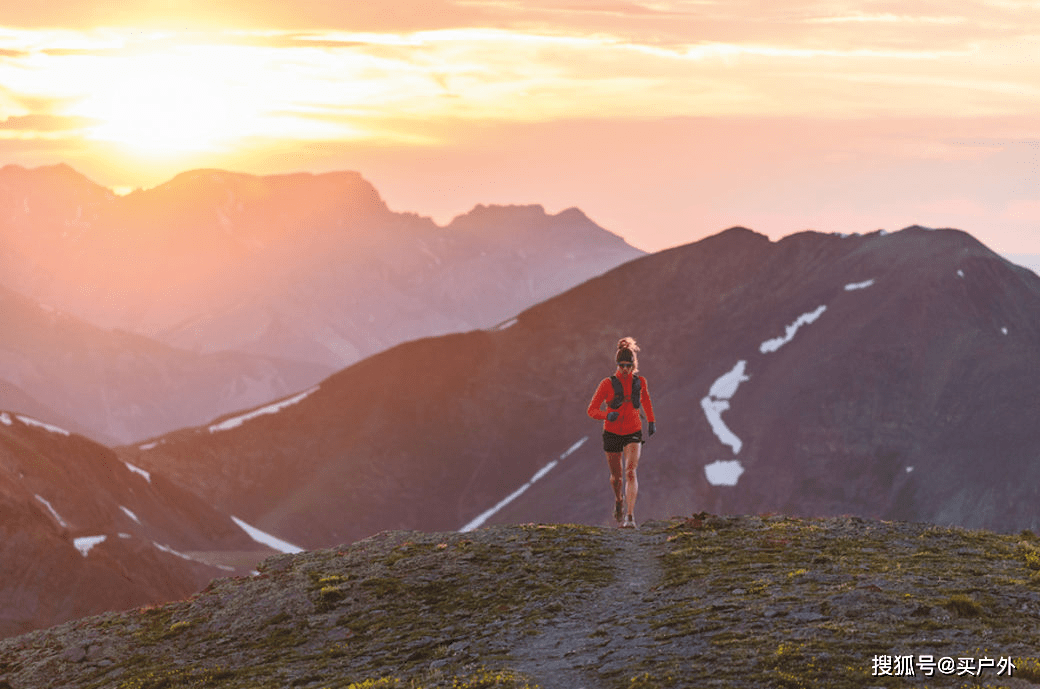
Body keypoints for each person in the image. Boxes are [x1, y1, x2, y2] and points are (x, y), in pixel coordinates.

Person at [586, 337, 656, 528]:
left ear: (634, 364)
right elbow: (591, 410)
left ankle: (630, 517)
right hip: (612, 433)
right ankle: (619, 500)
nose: (625, 369)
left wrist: (651, 421)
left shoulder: (640, 382)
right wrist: (607, 415)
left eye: (628, 365)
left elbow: (646, 401)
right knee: (616, 478)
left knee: (630, 472)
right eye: (622, 365)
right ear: (617, 364)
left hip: (633, 431)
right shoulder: (606, 384)